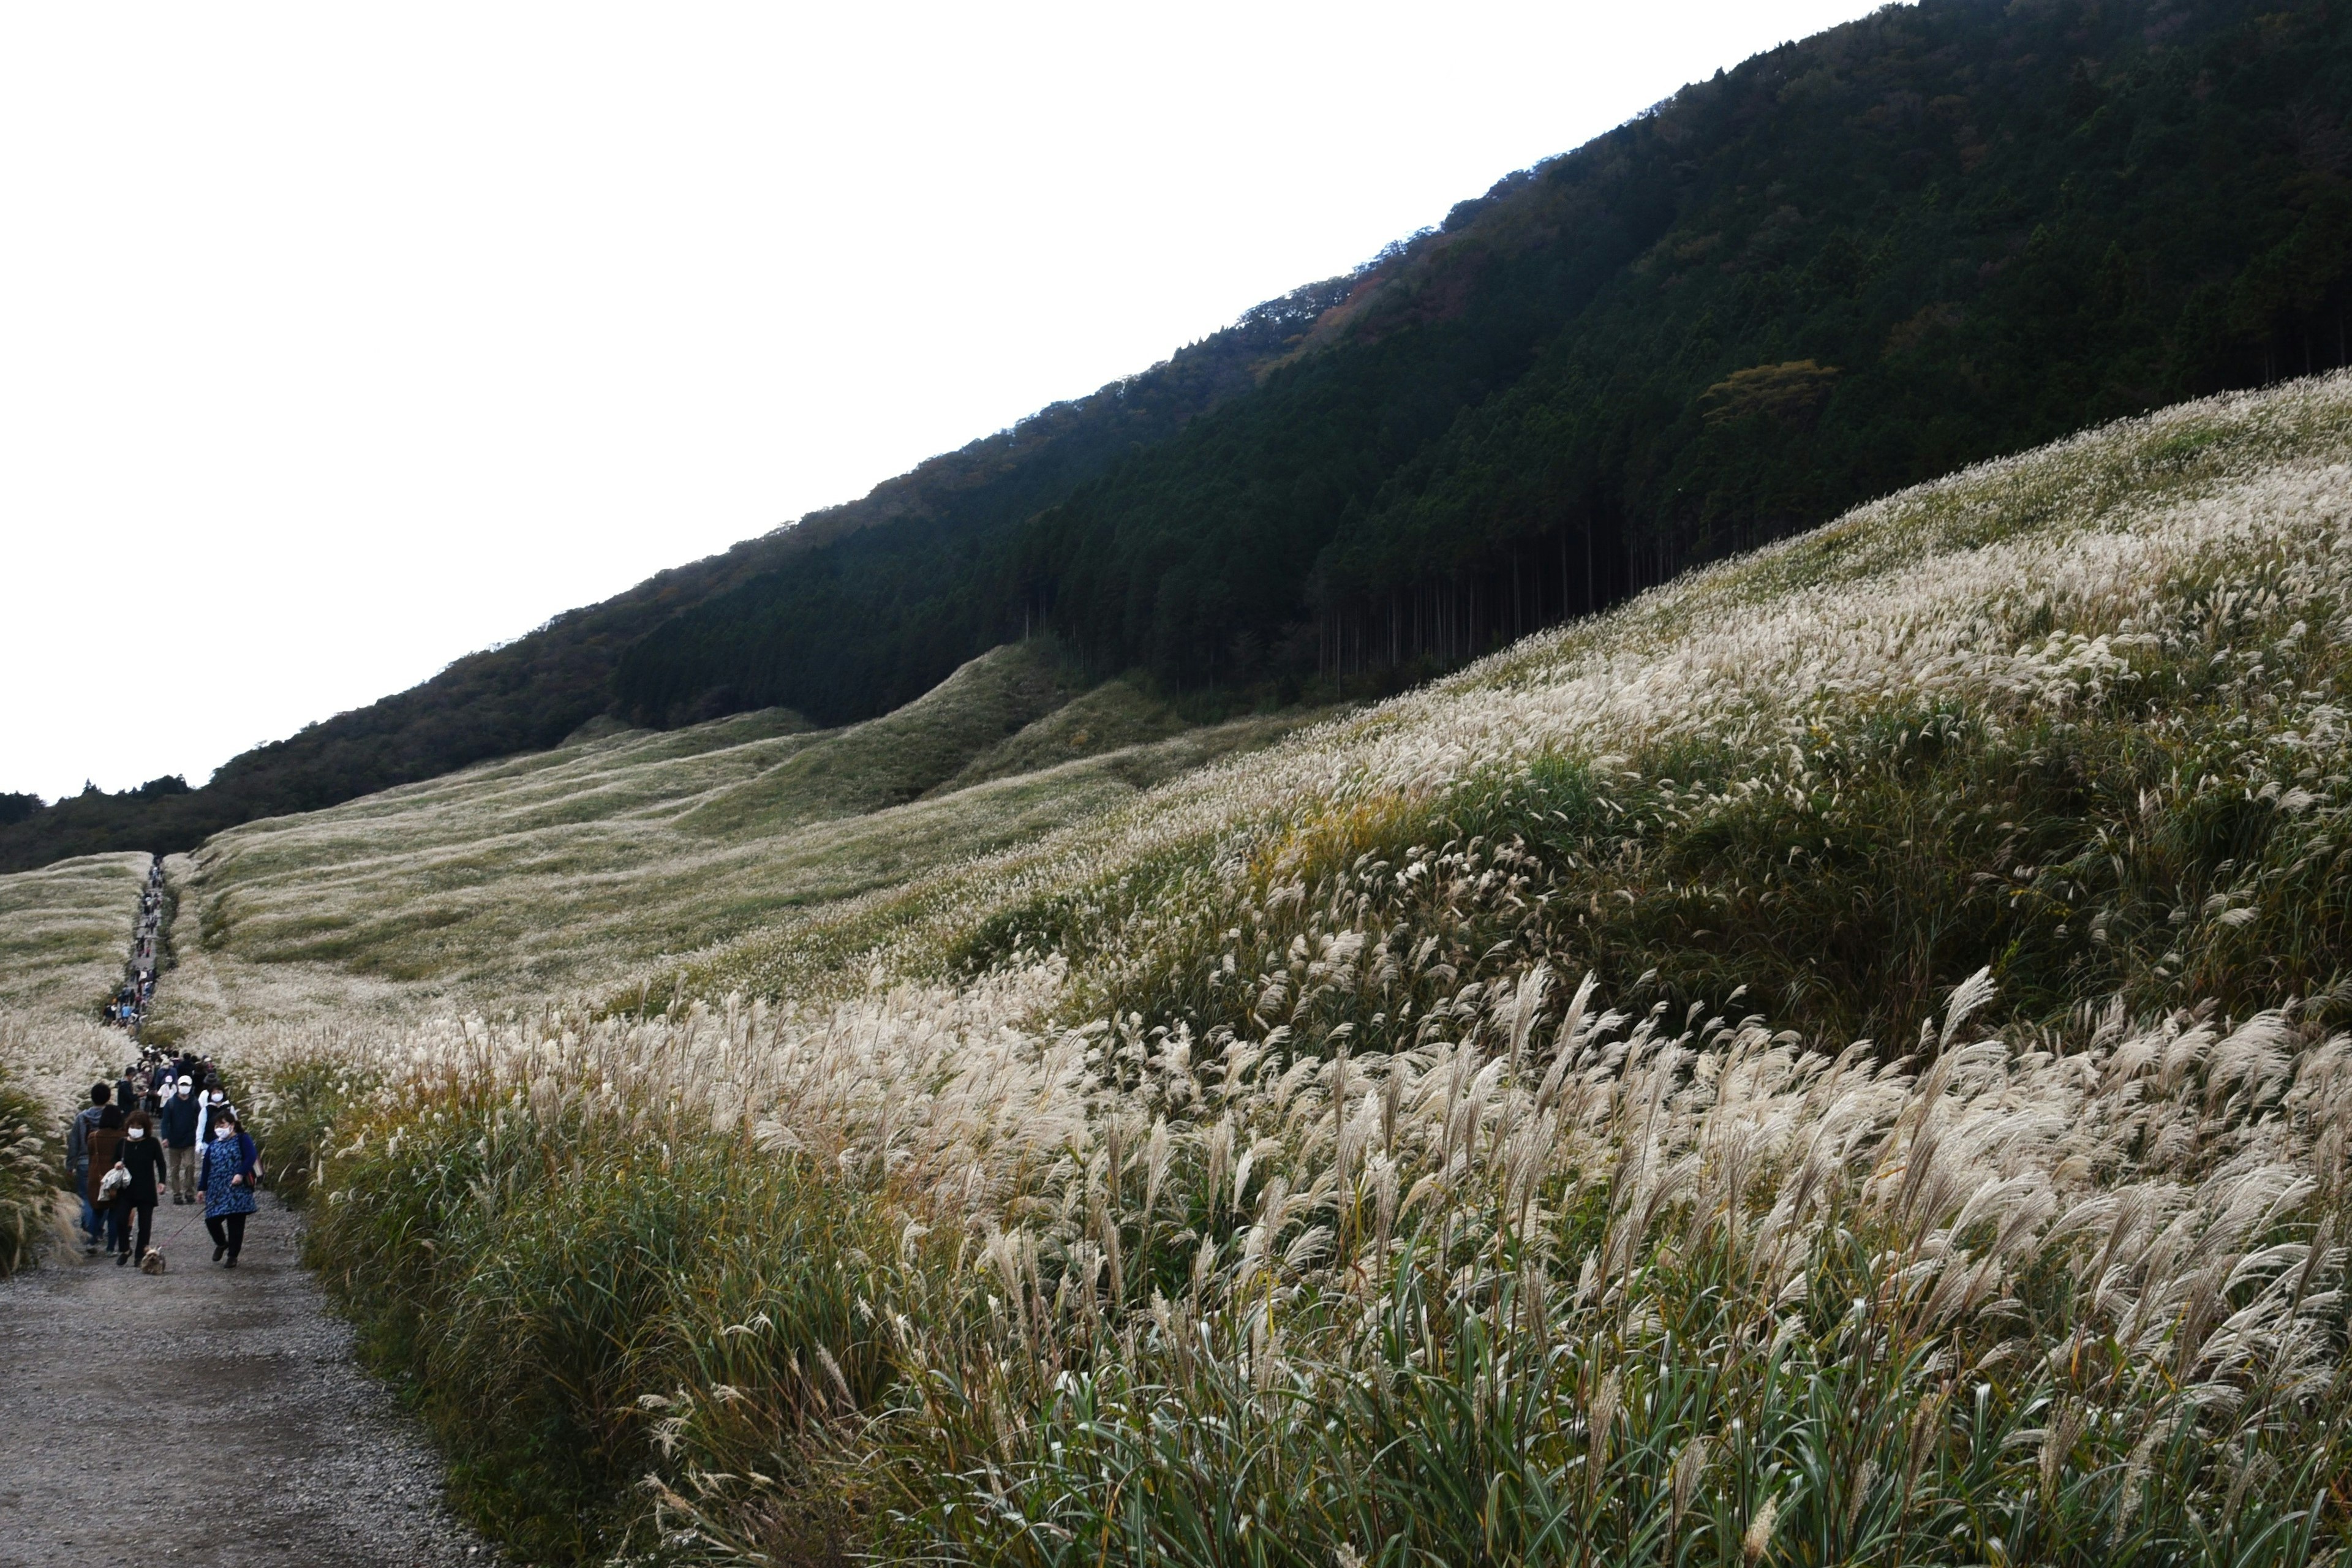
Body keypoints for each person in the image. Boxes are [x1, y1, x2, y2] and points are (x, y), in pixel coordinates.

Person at [198, 1110, 258, 1267]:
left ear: (231, 1125)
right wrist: (201, 1188)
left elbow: (251, 1156)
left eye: (222, 1125)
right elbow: (206, 1167)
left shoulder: (242, 1139)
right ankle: (221, 1243)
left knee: (236, 1224)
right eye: (217, 1126)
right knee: (211, 1220)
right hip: (216, 1188)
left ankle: (233, 1256)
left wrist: (240, 1173)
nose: (219, 1128)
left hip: (237, 1188)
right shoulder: (213, 1145)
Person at [111, 1110, 165, 1267]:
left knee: (145, 1225)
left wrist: (162, 1181)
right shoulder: (122, 1143)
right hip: (126, 1189)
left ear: (145, 1127)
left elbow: (161, 1163)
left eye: (139, 1126)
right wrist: (117, 1165)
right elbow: (114, 1159)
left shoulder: (152, 1143)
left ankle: (140, 1254)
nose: (135, 1129)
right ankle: (125, 1249)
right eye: (132, 1126)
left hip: (146, 1188)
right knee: (120, 1220)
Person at [64, 1083, 111, 1253]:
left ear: (91, 1097)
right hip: (106, 1164)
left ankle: (88, 1232)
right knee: (105, 1198)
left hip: (85, 1163)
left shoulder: (81, 1117)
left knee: (87, 1199)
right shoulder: (111, 1116)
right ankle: (96, 1230)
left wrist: (70, 1165)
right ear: (108, 1097)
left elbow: (74, 1143)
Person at [86, 1104, 125, 1258]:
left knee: (97, 1211)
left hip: (97, 1178)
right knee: (114, 1214)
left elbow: (90, 1155)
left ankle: (90, 1241)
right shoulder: (122, 1137)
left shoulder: (93, 1137)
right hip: (115, 1179)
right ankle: (110, 1249)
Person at [159, 1076, 200, 1202]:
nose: (184, 1087)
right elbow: (165, 1122)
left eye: (187, 1085)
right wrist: (165, 1137)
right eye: (182, 1084)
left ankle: (189, 1191)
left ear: (191, 1086)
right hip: (174, 1141)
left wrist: (198, 1136)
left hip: (189, 1140)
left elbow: (200, 1120)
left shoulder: (194, 1102)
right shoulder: (171, 1103)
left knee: (190, 1166)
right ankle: (177, 1194)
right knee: (175, 1169)